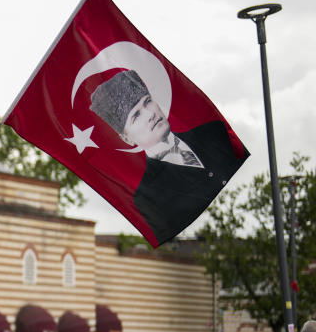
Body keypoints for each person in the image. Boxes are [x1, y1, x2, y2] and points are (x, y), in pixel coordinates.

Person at [89, 69, 248, 245]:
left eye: (147, 102)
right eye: (136, 115)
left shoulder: (213, 132)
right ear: (126, 138)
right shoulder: (146, 197)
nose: (150, 114)